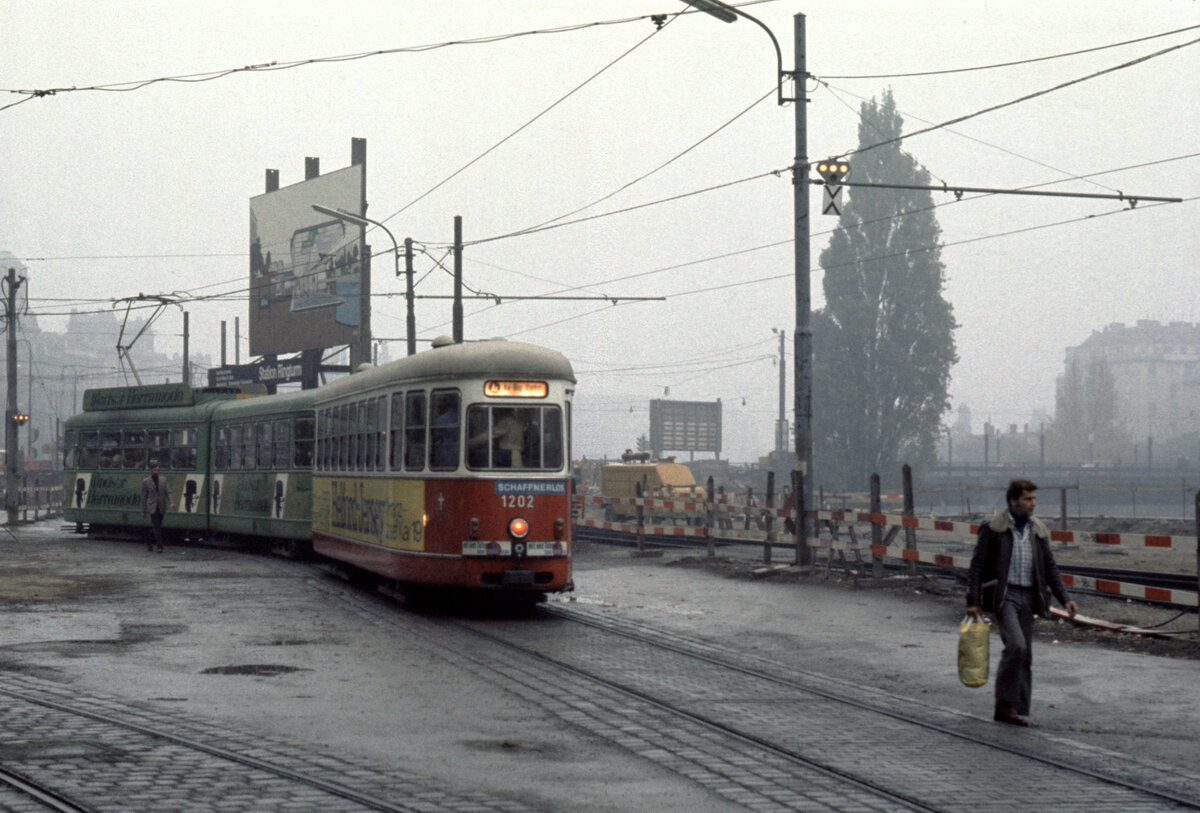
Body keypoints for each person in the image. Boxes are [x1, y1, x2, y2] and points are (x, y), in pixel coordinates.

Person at [966, 478, 1078, 727]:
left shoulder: (1037, 530)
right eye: (1027, 499)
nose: (1033, 504)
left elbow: (1049, 567)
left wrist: (1066, 598)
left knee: (1025, 653)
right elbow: (977, 566)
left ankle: (1017, 708)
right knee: (1016, 646)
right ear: (1013, 501)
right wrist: (973, 600)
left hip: (1029, 597)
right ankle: (1004, 705)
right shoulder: (994, 528)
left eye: (1034, 499)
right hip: (1004, 595)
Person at [141, 460, 174, 553]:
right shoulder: (146, 481)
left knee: (157, 526)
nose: (156, 472)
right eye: (155, 470)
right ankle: (160, 546)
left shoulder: (163, 480)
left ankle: (148, 540)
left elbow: (168, 492)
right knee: (156, 526)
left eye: (157, 470)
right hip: (152, 506)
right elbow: (144, 497)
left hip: (161, 506)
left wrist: (171, 502)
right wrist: (143, 510)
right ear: (151, 470)